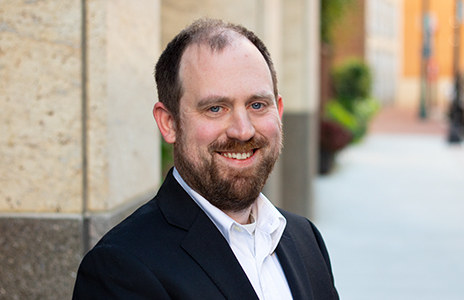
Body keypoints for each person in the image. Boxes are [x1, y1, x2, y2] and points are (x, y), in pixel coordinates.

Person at [73, 18, 339, 300]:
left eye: (257, 105)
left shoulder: (305, 239)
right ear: (169, 123)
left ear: (279, 110)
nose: (243, 130)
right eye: (215, 108)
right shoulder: (120, 270)